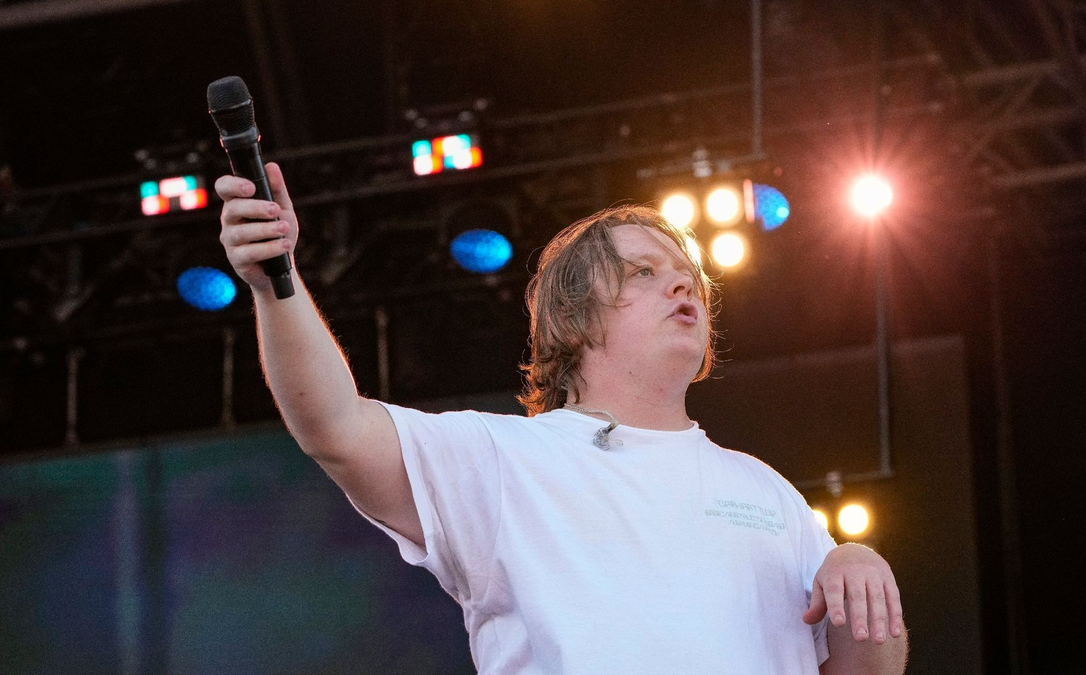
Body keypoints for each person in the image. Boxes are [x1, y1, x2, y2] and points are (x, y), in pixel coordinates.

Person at [215, 163, 908, 675]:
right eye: (643, 272)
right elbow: (334, 425)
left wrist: (858, 562)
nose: (680, 283)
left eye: (686, 275)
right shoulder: (500, 458)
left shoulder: (768, 493)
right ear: (572, 319)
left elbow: (867, 669)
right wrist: (277, 284)